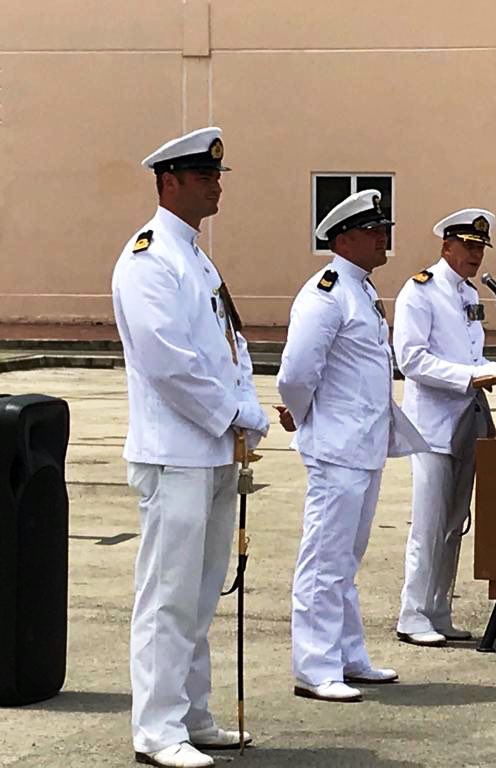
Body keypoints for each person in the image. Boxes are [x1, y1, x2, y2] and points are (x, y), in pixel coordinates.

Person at [111, 127, 269, 768]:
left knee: (201, 596)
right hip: (174, 451)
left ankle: (192, 714)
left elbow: (228, 347)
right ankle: (156, 730)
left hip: (213, 450)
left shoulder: (196, 258)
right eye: (204, 177)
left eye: (218, 177)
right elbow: (168, 363)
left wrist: (243, 415)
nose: (216, 187)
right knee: (167, 595)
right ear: (168, 182)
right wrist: (234, 413)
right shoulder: (149, 259)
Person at [277, 189, 427, 702]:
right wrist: (302, 416)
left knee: (346, 558)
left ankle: (347, 655)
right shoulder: (326, 293)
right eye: (373, 231)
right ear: (343, 240)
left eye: (384, 230)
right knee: (324, 559)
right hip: (336, 446)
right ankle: (315, 667)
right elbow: (297, 372)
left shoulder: (360, 288)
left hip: (363, 444)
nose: (383, 238)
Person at [392, 208, 496, 647]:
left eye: (481, 247)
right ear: (446, 246)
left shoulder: (469, 293)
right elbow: (411, 360)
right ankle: (412, 613)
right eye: (467, 246)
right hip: (430, 426)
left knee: (453, 524)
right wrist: (472, 376)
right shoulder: (420, 291)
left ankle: (439, 610)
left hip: (467, 419)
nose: (476, 255)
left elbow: (471, 357)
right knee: (428, 525)